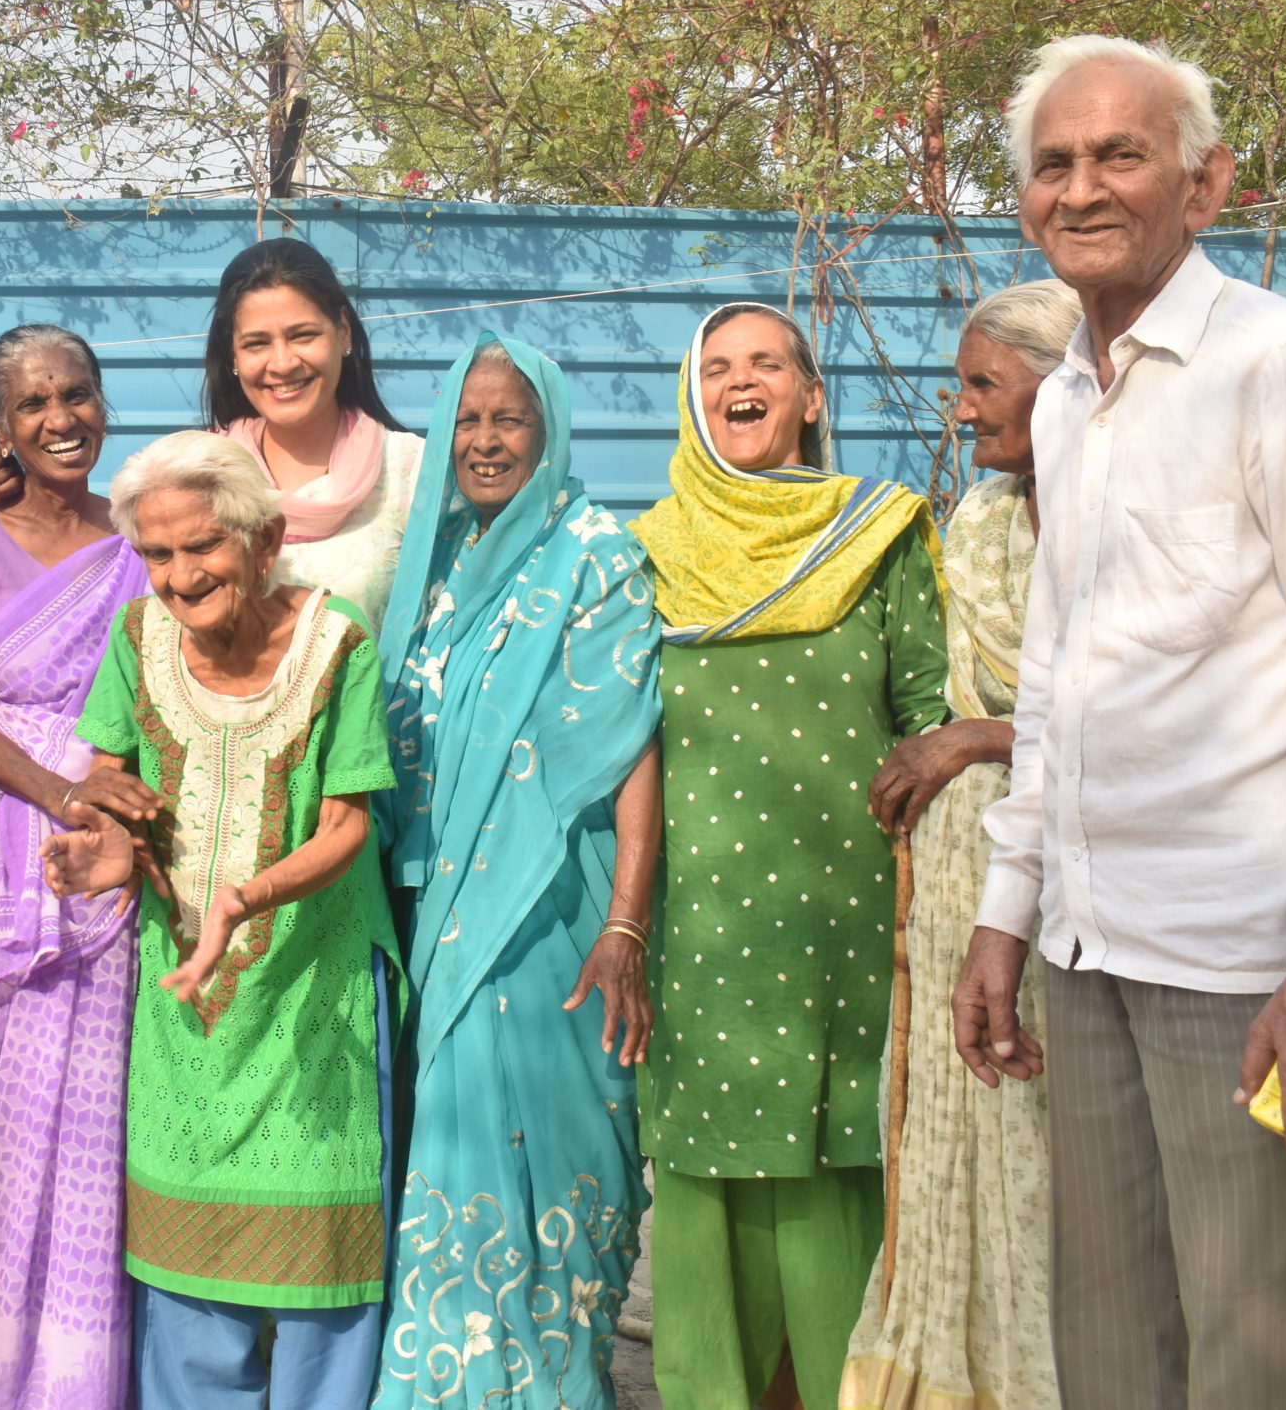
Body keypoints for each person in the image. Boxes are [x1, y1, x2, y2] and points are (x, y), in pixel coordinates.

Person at [954, 35, 1286, 1409]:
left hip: (1246, 962)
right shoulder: (1063, 400)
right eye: (1054, 162)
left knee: (1255, 1357)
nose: (1082, 186)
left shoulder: (1283, 366)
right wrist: (1007, 908)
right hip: (1087, 946)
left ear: (1206, 182)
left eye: (1123, 153)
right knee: (1110, 1351)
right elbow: (1056, 679)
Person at [632, 302, 949, 1410]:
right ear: (691, 397)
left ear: (811, 396)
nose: (740, 380)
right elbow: (621, 755)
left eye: (767, 362)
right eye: (716, 367)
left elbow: (928, 715)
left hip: (851, 934)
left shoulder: (881, 533)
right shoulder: (650, 556)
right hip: (702, 942)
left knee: (839, 1190)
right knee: (706, 1204)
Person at [41, 429, 398, 1410]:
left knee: (323, 1269)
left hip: (309, 1000)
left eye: (202, 546)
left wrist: (246, 896)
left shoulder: (338, 643)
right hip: (183, 1009)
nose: (178, 575)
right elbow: (108, 784)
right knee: (190, 1282)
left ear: (265, 540)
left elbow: (347, 824)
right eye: (156, 554)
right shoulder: (135, 638)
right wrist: (98, 849)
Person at [370, 334, 666, 1410]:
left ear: (548, 431)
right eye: (468, 419)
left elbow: (630, 749)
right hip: (432, 910)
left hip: (551, 917)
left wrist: (625, 924)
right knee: (443, 1161)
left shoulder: (596, 552)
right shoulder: (434, 567)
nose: (486, 440)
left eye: (510, 419)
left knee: (551, 1156)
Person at [837, 280, 1080, 1410]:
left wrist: (976, 735)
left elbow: (1156, 705)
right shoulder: (979, 520)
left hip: (1082, 875)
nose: (962, 411)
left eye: (984, 385)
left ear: (1064, 384)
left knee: (1044, 1142)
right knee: (956, 1128)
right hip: (960, 884)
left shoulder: (1121, 515)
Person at [0, 324, 160, 1410]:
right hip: (15, 864)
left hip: (120, 864)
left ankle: (79, 1383)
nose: (59, 418)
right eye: (31, 406)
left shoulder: (141, 540)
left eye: (76, 394)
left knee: (101, 1139)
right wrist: (63, 794)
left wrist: (114, 815)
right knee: (4, 1140)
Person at [0, 240, 424, 626]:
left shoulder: (414, 473)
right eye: (257, 343)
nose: (282, 363)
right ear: (233, 356)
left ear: (343, 332)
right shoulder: (193, 473)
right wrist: (20, 481)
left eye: (303, 335)